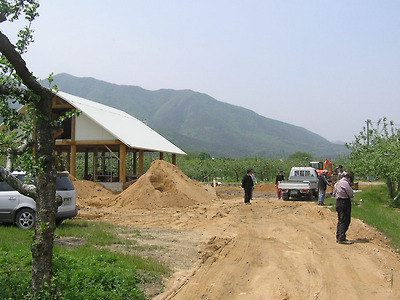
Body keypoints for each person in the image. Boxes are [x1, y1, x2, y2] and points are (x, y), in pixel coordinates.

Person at [333, 172, 354, 244]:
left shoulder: (338, 183)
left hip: (338, 202)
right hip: (344, 202)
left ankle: (339, 236)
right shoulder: (345, 184)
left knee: (340, 220)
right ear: (349, 178)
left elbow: (334, 193)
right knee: (345, 220)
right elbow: (351, 194)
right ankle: (341, 237)